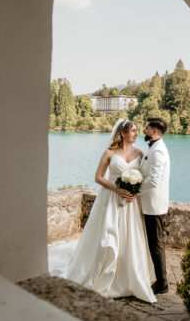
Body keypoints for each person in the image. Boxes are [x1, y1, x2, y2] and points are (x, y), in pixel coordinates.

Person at [64, 119, 156, 303]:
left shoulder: (139, 153)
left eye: (137, 130)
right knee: (108, 237)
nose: (136, 134)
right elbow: (98, 177)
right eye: (133, 131)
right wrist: (116, 189)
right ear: (123, 133)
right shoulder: (109, 153)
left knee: (130, 238)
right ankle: (101, 276)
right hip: (110, 200)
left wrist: (135, 192)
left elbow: (145, 178)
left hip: (130, 203)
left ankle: (128, 279)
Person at [138, 117, 171, 294]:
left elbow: (153, 180)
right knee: (154, 243)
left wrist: (135, 191)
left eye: (146, 127)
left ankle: (162, 283)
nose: (144, 130)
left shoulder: (158, 151)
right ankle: (159, 280)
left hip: (154, 205)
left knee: (156, 244)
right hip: (151, 203)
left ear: (155, 131)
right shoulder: (153, 147)